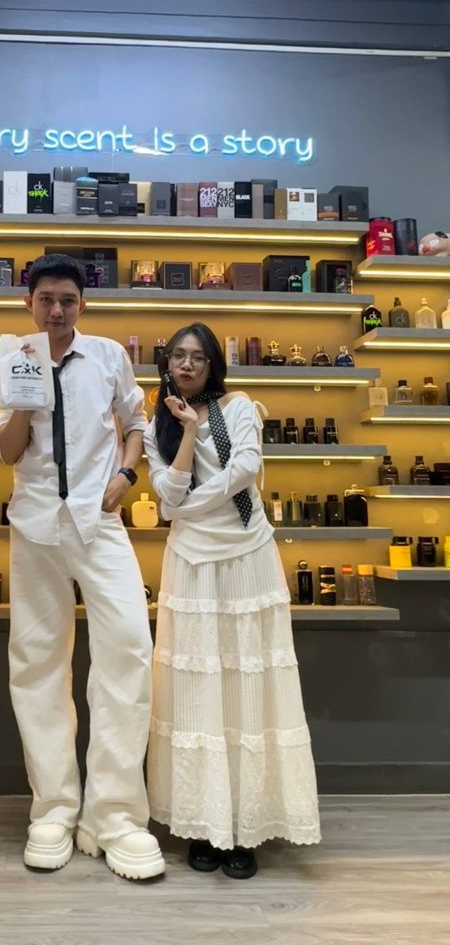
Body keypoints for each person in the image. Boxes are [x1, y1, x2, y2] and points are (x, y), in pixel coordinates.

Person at [0, 253, 164, 881]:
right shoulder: (16, 357)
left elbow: (136, 424)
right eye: (46, 299)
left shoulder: (109, 356)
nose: (57, 310)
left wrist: (126, 473)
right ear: (29, 303)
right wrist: (20, 396)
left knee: (129, 648)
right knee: (37, 661)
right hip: (36, 523)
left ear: (82, 304)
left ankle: (115, 815)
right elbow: (8, 452)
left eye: (67, 299)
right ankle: (54, 809)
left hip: (101, 520)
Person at [144, 322, 320, 879]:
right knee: (197, 693)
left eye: (197, 357)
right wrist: (189, 433)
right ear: (166, 363)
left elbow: (244, 470)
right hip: (191, 563)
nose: (187, 365)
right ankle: (203, 823)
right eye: (178, 356)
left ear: (213, 364)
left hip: (248, 555)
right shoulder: (156, 425)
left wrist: (185, 506)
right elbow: (165, 495)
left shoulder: (240, 406)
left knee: (248, 688)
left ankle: (246, 826)